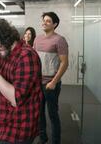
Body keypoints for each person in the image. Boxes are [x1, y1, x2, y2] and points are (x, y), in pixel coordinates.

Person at [33, 12, 69, 144]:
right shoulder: (37, 39)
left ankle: (56, 141)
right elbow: (34, 60)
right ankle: (43, 138)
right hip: (38, 83)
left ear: (55, 24)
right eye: (43, 20)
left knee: (53, 115)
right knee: (39, 113)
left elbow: (64, 63)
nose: (44, 22)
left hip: (50, 84)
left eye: (48, 21)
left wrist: (54, 81)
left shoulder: (60, 40)